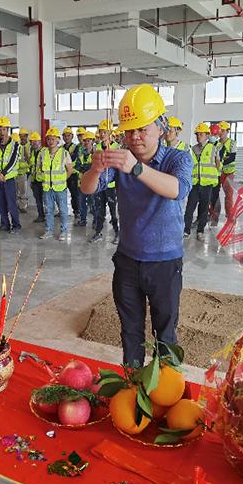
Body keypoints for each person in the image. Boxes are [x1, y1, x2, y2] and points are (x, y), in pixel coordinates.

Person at [80, 84, 192, 366]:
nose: (136, 136)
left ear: (161, 126)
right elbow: (87, 189)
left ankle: (166, 389)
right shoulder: (120, 159)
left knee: (165, 334)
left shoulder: (177, 158)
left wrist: (136, 168)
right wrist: (96, 169)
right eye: (130, 130)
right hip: (128, 261)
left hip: (164, 263)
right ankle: (132, 385)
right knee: (130, 332)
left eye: (143, 128)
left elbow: (177, 189)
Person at [184, 123, 220, 241]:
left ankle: (200, 231)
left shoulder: (214, 148)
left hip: (207, 184)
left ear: (207, 135)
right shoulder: (193, 149)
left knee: (204, 209)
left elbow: (218, 164)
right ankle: (186, 230)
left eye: (201, 134)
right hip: (195, 183)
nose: (199, 136)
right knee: (190, 207)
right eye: (197, 134)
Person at [38, 127, 74, 241]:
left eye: (53, 139)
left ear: (58, 140)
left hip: (60, 188)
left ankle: (63, 232)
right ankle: (49, 230)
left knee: (63, 211)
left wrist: (62, 180)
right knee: (48, 211)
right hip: (47, 188)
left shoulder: (64, 153)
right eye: (48, 139)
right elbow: (40, 168)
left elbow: (70, 170)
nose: (50, 141)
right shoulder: (42, 153)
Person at [89, 121, 120, 244]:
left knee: (114, 210)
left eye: (104, 132)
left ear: (110, 133)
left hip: (111, 185)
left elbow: (116, 164)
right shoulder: (97, 147)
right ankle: (98, 232)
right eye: (100, 132)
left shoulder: (116, 147)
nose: (102, 134)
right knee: (99, 209)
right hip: (100, 184)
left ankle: (118, 233)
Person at [0, 116, 21, 233]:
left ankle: (16, 225)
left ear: (8, 130)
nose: (2, 132)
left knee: (11, 203)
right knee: (0, 203)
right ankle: (5, 224)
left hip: (9, 179)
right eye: (0, 129)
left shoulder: (15, 145)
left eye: (4, 129)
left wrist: (3, 173)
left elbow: (13, 161)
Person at [76, 131, 97, 228]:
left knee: (93, 203)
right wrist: (86, 167)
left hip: (92, 183)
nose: (86, 143)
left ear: (92, 141)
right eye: (85, 141)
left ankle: (96, 221)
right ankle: (83, 220)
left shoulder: (96, 154)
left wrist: (86, 167)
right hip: (81, 182)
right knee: (81, 203)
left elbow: (95, 167)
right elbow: (77, 166)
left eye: (88, 141)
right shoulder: (80, 153)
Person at [63, 126, 81, 219]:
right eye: (65, 136)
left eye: (68, 135)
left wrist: (67, 157)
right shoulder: (61, 148)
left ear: (72, 136)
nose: (66, 137)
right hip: (63, 174)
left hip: (73, 174)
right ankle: (62, 211)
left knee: (74, 194)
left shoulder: (76, 147)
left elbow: (73, 159)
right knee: (62, 194)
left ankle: (77, 211)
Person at [27, 132, 45, 223]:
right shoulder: (32, 153)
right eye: (32, 142)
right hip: (35, 180)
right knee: (38, 200)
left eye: (35, 142)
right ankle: (41, 216)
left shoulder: (45, 152)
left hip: (43, 181)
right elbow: (32, 167)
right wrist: (31, 180)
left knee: (46, 201)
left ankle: (49, 217)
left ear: (39, 142)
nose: (34, 144)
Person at [16, 128, 31, 213]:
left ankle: (23, 206)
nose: (22, 138)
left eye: (24, 136)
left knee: (23, 190)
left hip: (26, 171)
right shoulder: (17, 146)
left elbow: (30, 159)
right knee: (16, 190)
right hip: (16, 171)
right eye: (20, 136)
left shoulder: (30, 146)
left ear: (27, 136)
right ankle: (17, 205)